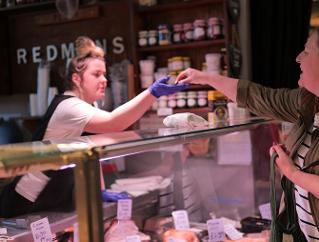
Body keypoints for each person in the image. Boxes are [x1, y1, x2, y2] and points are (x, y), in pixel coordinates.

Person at [176, 23, 319, 241]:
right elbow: (259, 97)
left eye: (306, 51)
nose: (298, 58)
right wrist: (205, 78)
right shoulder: (310, 103)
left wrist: (293, 174)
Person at [0, 36, 188, 218]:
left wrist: (100, 191)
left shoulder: (88, 107)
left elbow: (92, 151)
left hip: (53, 198)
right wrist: (152, 93)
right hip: (26, 200)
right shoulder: (69, 107)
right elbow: (115, 123)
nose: (104, 80)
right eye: (96, 74)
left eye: (104, 74)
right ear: (76, 79)